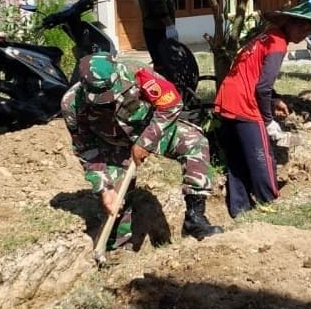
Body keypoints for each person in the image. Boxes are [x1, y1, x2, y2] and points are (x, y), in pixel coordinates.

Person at [61, 53, 223, 250]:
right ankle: (119, 249)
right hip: (113, 144)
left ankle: (195, 219)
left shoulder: (137, 72)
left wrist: (145, 142)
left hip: (150, 129)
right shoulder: (72, 105)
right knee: (116, 197)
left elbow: (171, 103)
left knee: (194, 143)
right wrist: (104, 188)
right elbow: (85, 149)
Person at [213, 2, 311, 218]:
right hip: (245, 104)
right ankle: (270, 202)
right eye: (302, 27)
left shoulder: (267, 35)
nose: (304, 33)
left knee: (237, 159)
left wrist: (275, 98)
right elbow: (262, 88)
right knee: (262, 155)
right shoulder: (278, 43)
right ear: (289, 23)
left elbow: (257, 78)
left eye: (308, 29)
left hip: (227, 98)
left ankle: (239, 208)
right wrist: (269, 120)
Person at [138, 0, 178, 76]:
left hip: (152, 25)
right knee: (165, 66)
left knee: (160, 65)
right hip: (158, 26)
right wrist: (168, 23)